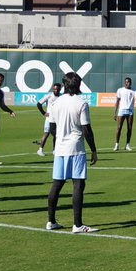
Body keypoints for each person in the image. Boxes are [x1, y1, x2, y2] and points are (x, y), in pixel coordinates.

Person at [46, 72, 99, 233]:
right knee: (78, 184)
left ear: (64, 85)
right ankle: (77, 224)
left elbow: (53, 127)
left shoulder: (56, 103)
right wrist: (94, 150)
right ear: (78, 85)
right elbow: (87, 130)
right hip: (76, 148)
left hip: (60, 148)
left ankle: (51, 221)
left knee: (57, 184)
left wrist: (59, 140)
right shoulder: (81, 103)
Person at [113, 77, 136, 151]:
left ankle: (127, 145)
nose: (128, 83)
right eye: (126, 82)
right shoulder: (120, 90)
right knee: (119, 128)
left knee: (129, 128)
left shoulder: (134, 91)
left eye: (129, 82)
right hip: (121, 111)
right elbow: (117, 101)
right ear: (124, 83)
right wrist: (115, 112)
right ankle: (116, 144)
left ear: (131, 83)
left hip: (130, 111)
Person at [35, 82, 62, 156]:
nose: (55, 90)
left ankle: (54, 150)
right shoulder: (49, 96)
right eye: (54, 89)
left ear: (60, 89)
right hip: (49, 118)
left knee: (56, 134)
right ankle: (40, 150)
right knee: (46, 133)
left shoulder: (61, 97)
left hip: (57, 118)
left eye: (57, 89)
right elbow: (39, 104)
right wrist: (43, 113)